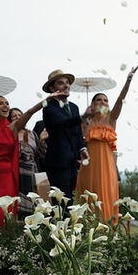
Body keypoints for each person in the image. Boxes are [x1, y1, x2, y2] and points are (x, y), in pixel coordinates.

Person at [0, 93, 61, 246]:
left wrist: (45, 101)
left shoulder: (13, 126)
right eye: (1, 103)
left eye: (7, 103)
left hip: (6, 179)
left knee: (3, 215)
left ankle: (1, 251)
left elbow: (29, 112)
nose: (6, 106)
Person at [75, 65, 138, 222]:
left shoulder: (111, 119)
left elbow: (120, 100)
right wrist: (84, 118)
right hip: (89, 165)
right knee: (88, 194)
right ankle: (86, 230)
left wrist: (128, 80)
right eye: (99, 100)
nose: (103, 102)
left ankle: (108, 232)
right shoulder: (85, 122)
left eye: (105, 100)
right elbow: (76, 140)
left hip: (107, 166)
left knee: (107, 195)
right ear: (93, 103)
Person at [42, 69, 89, 203]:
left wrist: (82, 149)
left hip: (72, 163)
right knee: (60, 205)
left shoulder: (74, 107)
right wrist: (84, 117)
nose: (66, 85)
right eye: (60, 83)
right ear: (52, 88)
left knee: (70, 202)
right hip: (57, 163)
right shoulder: (48, 107)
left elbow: (78, 133)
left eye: (67, 82)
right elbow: (63, 123)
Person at [8, 107, 45, 217]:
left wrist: (42, 141)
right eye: (14, 116)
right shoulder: (10, 133)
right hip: (16, 172)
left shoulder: (32, 134)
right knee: (19, 208)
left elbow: (40, 154)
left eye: (20, 115)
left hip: (32, 173)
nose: (18, 117)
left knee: (33, 204)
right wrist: (23, 144)